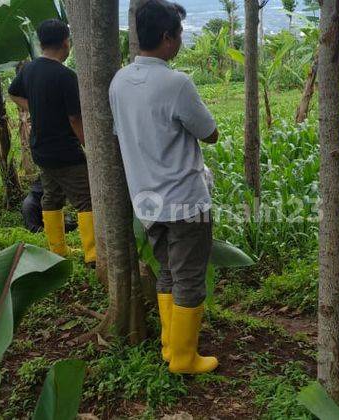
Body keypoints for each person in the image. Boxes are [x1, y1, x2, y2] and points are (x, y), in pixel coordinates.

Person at [109, 0, 220, 374]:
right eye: (181, 34)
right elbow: (211, 134)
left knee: (168, 271)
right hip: (186, 200)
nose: (182, 41)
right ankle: (185, 359)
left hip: (147, 202)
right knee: (189, 276)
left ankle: (170, 347)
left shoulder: (119, 81)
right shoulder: (176, 83)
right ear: (168, 38)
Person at [8, 19, 95, 265]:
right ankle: (93, 255)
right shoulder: (66, 76)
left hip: (41, 149)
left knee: (51, 196)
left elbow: (13, 93)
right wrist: (88, 144)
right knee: (86, 198)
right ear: (66, 43)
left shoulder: (29, 69)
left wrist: (34, 109)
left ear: (41, 42)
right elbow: (75, 118)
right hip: (65, 151)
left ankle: (57, 250)